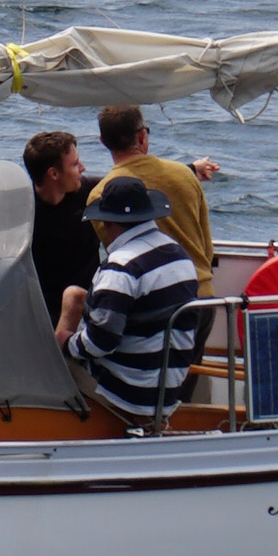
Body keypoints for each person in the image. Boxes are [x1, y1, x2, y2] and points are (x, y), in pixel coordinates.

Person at [59, 174, 208, 429]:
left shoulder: (122, 266)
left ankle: (53, 425)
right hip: (168, 386)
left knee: (58, 362)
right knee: (73, 295)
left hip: (132, 394)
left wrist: (66, 343)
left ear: (108, 222)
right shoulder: (179, 255)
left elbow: (101, 342)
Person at [97, 99, 216, 280]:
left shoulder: (99, 196)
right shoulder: (185, 174)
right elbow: (206, 248)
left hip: (145, 295)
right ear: (142, 136)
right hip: (200, 287)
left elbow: (118, 255)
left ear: (102, 141)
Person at [22, 128, 100, 318]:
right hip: (42, 311)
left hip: (89, 305)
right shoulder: (22, 207)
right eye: (75, 164)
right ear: (54, 174)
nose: (83, 168)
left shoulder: (93, 192)